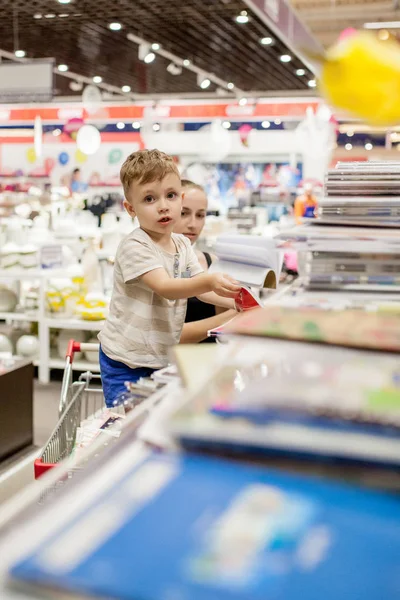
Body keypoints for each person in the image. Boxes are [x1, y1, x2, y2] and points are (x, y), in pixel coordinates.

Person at [98, 149, 240, 406]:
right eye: (150, 199)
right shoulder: (135, 246)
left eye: (171, 196)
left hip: (160, 357)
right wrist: (210, 280)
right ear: (130, 208)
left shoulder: (182, 245)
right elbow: (166, 287)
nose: (163, 205)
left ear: (180, 198)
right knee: (126, 424)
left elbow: (200, 291)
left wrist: (236, 300)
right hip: (125, 361)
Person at [175, 180, 236, 344]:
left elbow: (224, 332)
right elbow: (171, 337)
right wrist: (237, 313)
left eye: (200, 215)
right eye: (184, 213)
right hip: (165, 365)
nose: (193, 224)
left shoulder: (212, 262)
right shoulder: (154, 266)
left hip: (208, 362)